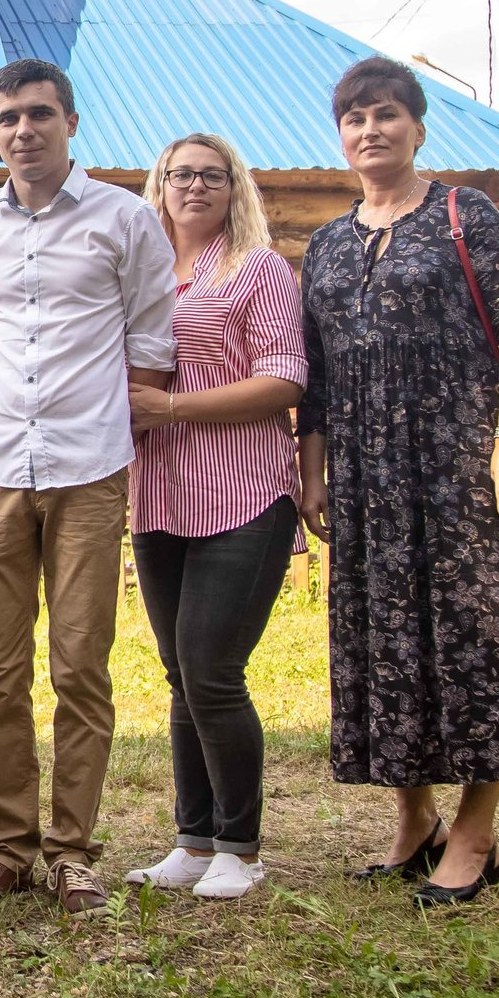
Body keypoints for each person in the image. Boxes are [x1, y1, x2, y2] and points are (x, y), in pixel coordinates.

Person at [297, 57, 499, 908]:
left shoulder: (462, 215)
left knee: (472, 644)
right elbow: (319, 373)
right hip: (367, 479)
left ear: (417, 125)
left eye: (386, 115)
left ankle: (475, 832)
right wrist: (314, 470)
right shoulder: (329, 243)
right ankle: (415, 822)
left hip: (459, 470)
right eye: (355, 118)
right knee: (385, 646)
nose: (370, 130)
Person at [0, 58, 176, 918]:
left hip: (88, 468)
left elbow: (150, 345)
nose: (23, 130)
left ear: (71, 123)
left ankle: (73, 850)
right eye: (7, 117)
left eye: (40, 114)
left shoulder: (125, 219)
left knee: (80, 665)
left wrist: (112, 429)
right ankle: (8, 846)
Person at [119, 133, 306, 902]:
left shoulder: (256, 269)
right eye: (179, 174)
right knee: (178, 674)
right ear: (157, 186)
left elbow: (285, 380)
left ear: (235, 187)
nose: (194, 186)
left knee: (212, 670)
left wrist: (171, 405)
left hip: (244, 493)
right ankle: (193, 840)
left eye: (211, 174)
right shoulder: (144, 274)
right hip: (160, 497)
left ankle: (242, 845)